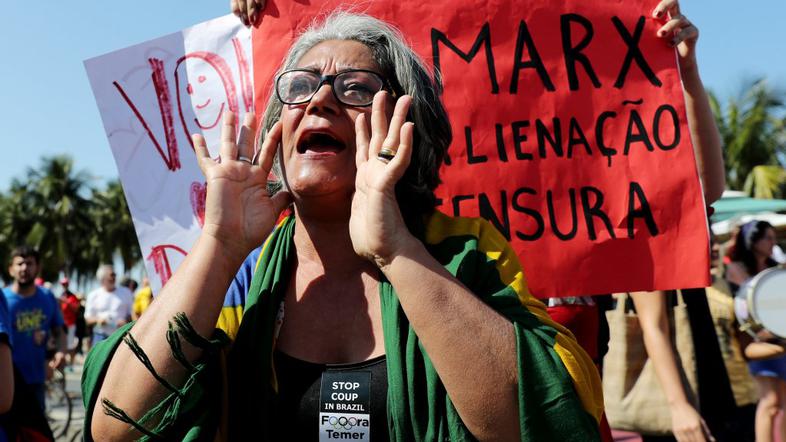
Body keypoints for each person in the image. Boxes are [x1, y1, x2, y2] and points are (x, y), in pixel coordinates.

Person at [84, 10, 605, 442]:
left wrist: (395, 248)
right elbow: (114, 428)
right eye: (301, 86)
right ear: (278, 131)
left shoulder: (465, 254)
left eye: (355, 88)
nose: (320, 99)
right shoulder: (238, 275)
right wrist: (219, 245)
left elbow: (543, 420)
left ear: (405, 129)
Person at [726, 220, 786, 442]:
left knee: (780, 403)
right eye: (768, 238)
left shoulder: (775, 268)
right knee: (769, 401)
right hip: (755, 341)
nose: (773, 242)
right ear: (753, 240)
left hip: (779, 340)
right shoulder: (736, 268)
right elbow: (748, 303)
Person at [2, 246, 66, 410]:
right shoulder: (3, 299)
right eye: (20, 263)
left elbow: (59, 331)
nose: (24, 268)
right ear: (11, 269)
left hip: (36, 379)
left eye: (29, 263)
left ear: (37, 268)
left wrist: (60, 352)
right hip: (7, 382)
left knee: (36, 434)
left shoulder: (47, 297)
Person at [85, 265, 133, 347]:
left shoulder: (126, 292)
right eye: (111, 275)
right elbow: (88, 319)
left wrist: (125, 321)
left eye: (114, 275)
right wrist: (99, 320)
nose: (114, 278)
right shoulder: (93, 295)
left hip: (121, 335)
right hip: (101, 336)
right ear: (102, 278)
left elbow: (131, 314)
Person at [58, 277, 80, 369]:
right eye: (63, 284)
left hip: (71, 324)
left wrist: (66, 301)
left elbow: (76, 308)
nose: (64, 286)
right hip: (63, 324)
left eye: (65, 284)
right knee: (62, 344)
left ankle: (71, 364)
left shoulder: (72, 296)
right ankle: (65, 363)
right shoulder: (61, 295)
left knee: (71, 345)